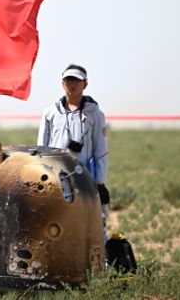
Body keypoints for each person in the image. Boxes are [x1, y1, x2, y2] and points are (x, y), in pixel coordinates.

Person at [37, 64, 110, 241]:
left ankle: (100, 261)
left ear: (85, 84)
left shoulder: (95, 114)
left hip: (82, 176)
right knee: (54, 220)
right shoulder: (50, 112)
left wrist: (99, 182)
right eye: (69, 80)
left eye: (77, 80)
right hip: (54, 177)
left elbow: (101, 150)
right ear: (62, 83)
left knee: (91, 221)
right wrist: (42, 175)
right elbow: (41, 147)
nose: (72, 84)